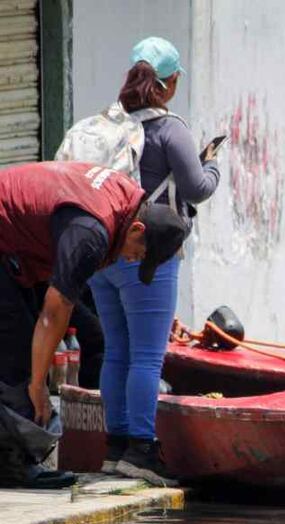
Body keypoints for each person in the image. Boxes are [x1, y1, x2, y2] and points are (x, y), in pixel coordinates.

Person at [0, 161, 190, 488]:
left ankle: (14, 457)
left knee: (24, 343)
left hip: (13, 245)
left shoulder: (126, 199)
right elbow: (53, 312)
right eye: (138, 255)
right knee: (15, 353)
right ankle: (12, 465)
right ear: (137, 230)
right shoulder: (91, 232)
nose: (132, 261)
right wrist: (38, 388)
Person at [88, 36, 221, 486]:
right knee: (147, 356)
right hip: (149, 254)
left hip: (104, 254)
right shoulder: (170, 129)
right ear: (172, 81)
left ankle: (115, 449)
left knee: (116, 352)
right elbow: (198, 187)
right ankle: (143, 452)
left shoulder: (109, 123)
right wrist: (214, 165)